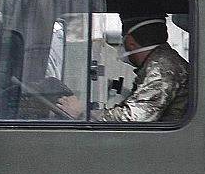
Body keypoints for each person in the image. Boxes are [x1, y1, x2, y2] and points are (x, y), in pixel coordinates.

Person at [58, 16, 189, 123]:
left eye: (123, 38)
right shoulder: (161, 61)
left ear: (130, 41)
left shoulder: (162, 69)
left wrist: (83, 112)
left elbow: (134, 118)